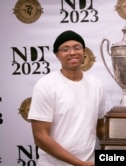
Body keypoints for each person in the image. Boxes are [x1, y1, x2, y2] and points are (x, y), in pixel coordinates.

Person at [28, 30, 107, 166]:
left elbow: (100, 128)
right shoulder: (45, 85)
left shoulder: (96, 85)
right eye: (65, 49)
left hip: (88, 162)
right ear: (57, 55)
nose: (72, 52)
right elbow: (40, 137)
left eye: (77, 47)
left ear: (84, 52)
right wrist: (79, 164)